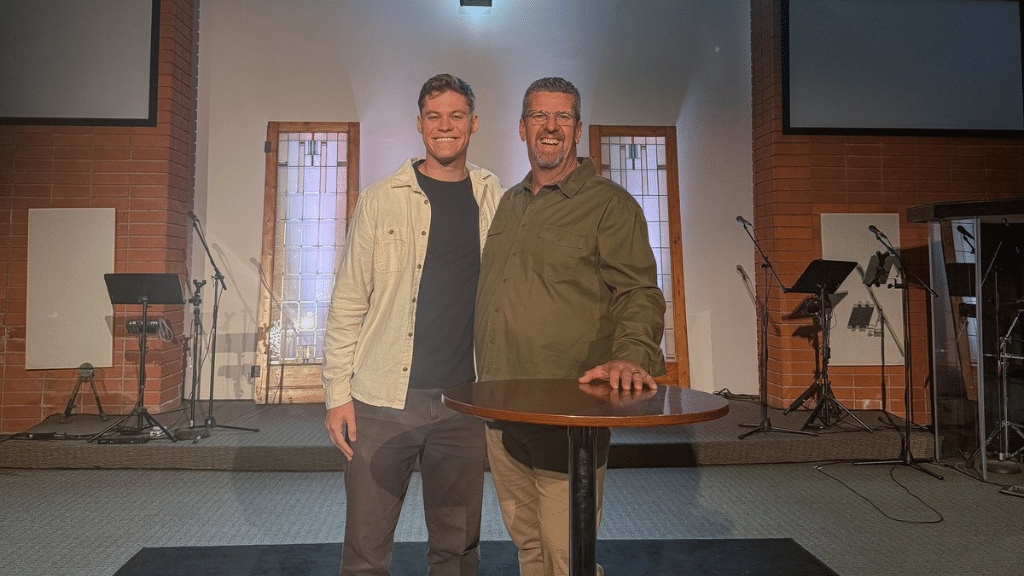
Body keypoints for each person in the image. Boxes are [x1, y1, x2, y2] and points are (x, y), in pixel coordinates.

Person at [474, 77, 667, 576]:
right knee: (529, 547)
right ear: (522, 127)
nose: (550, 126)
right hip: (501, 402)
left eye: (562, 116)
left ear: (578, 130)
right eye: (539, 116)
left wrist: (631, 356)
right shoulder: (510, 203)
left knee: (567, 556)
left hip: (566, 409)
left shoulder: (609, 205)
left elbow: (639, 293)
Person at [321, 74, 503, 576]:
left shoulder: (492, 195)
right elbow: (347, 301)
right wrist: (337, 394)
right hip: (382, 399)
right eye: (434, 116)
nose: (445, 126)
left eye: (456, 116)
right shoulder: (381, 198)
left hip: (462, 402)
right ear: (419, 124)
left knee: (457, 551)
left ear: (473, 123)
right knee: (365, 551)